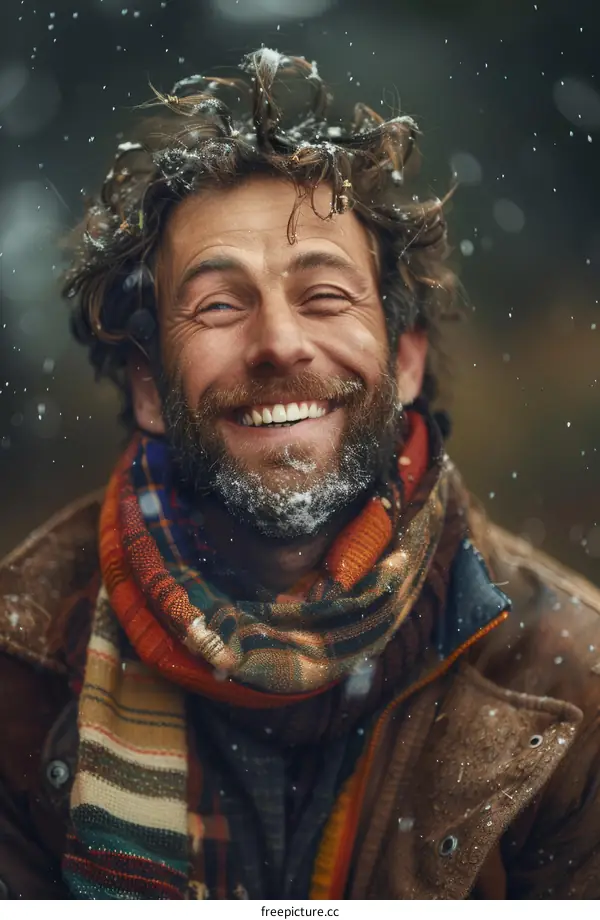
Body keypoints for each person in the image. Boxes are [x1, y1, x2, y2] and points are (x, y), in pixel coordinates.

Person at [1, 48, 599, 902]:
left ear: (407, 360)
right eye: (219, 304)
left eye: (324, 295)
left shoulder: (571, 680)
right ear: (149, 389)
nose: (279, 341)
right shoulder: (14, 669)